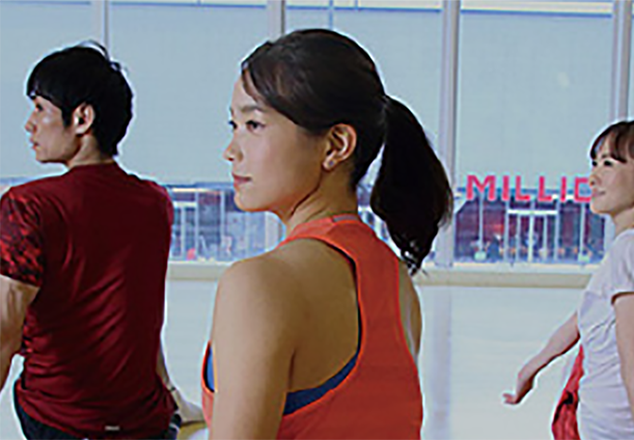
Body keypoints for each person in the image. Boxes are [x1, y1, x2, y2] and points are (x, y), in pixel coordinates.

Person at [201, 29, 453, 440]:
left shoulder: (260, 284)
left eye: (253, 124)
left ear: (336, 145)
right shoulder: (395, 280)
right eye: (234, 125)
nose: (231, 150)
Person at [0, 42, 200, 440]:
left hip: (62, 422)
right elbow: (137, 317)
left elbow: (4, 332)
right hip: (147, 424)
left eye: (39, 108)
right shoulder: (155, 202)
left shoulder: (28, 206)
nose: (29, 124)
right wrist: (169, 394)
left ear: (82, 118)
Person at [504, 119, 634, 440]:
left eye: (609, 164)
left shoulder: (632, 253)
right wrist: (534, 365)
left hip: (617, 430)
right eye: (594, 164)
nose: (593, 178)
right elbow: (588, 315)